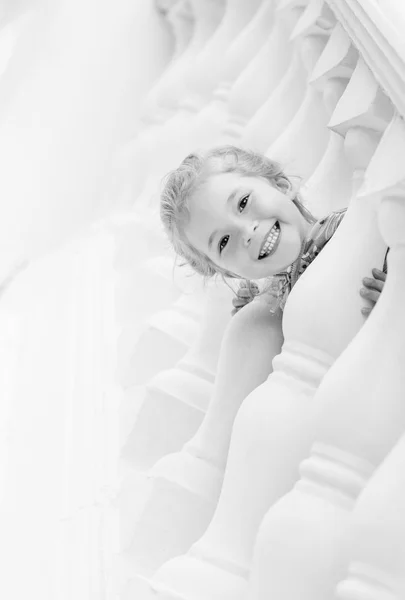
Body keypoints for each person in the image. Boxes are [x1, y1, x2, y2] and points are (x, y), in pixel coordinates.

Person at [160, 145, 387, 317]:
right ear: (230, 272)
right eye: (224, 241)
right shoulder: (275, 300)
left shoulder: (347, 229)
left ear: (281, 185)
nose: (247, 231)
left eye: (243, 203)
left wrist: (394, 293)